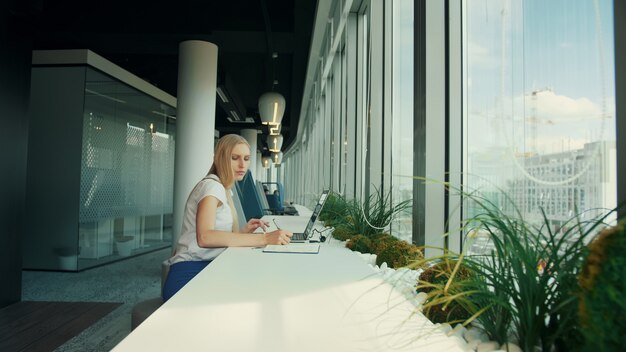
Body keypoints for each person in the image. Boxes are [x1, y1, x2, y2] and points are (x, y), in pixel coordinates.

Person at [162, 134, 293, 301]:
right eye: (235, 158)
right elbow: (205, 237)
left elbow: (213, 236)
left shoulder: (222, 188)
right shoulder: (212, 187)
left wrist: (243, 232)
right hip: (188, 275)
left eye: (246, 159)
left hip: (204, 267)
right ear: (221, 158)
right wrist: (265, 238)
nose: (242, 165)